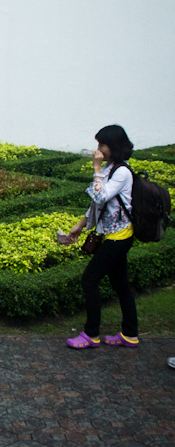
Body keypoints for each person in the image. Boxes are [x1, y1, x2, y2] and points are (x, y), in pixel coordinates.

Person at [58, 125, 138, 350]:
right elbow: (96, 202)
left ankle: (91, 334)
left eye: (102, 145)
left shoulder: (121, 171)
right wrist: (80, 226)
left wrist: (95, 167)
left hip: (119, 237)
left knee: (89, 280)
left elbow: (101, 195)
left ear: (113, 146)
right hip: (111, 235)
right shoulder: (110, 167)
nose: (99, 149)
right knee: (121, 285)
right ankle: (130, 334)